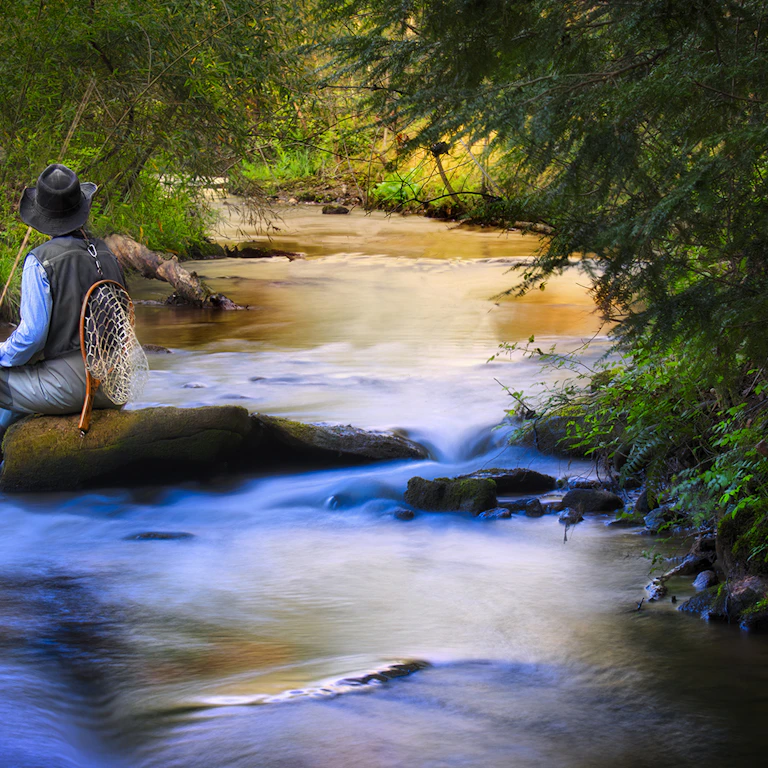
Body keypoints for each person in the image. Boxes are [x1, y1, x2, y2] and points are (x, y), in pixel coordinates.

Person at [0, 164, 126, 439]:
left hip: (74, 386)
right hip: (117, 383)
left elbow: (32, 336)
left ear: (43, 216)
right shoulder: (108, 253)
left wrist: (1, 353)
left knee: (10, 367)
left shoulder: (39, 261)